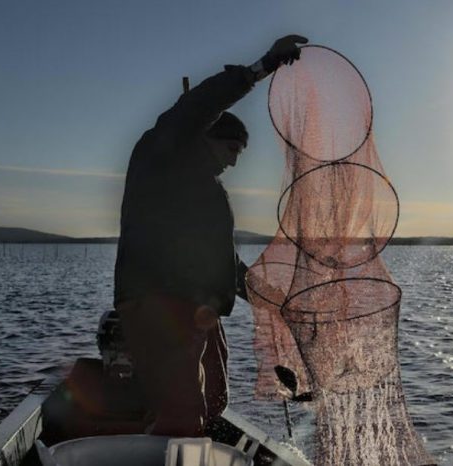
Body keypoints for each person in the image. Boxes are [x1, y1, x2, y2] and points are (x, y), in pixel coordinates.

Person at [114, 35, 308, 436]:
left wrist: (263, 297)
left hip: (198, 308)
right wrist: (262, 67)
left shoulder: (209, 191)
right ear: (204, 133)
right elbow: (197, 106)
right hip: (158, 301)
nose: (235, 160)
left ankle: (171, 437)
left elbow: (216, 259)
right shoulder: (160, 154)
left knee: (215, 398)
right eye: (233, 147)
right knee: (183, 415)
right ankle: (164, 447)